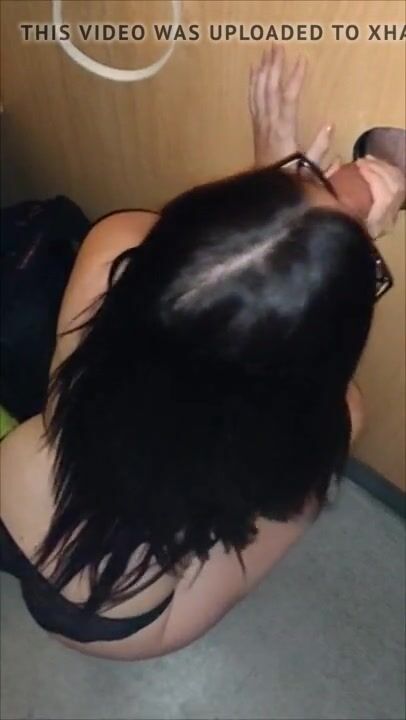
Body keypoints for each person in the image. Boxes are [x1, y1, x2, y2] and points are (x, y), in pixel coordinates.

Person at [1, 46, 404, 662]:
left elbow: (214, 272)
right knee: (312, 467)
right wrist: (345, 254)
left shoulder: (113, 247)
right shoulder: (315, 426)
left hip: (19, 498)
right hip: (112, 617)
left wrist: (274, 190)